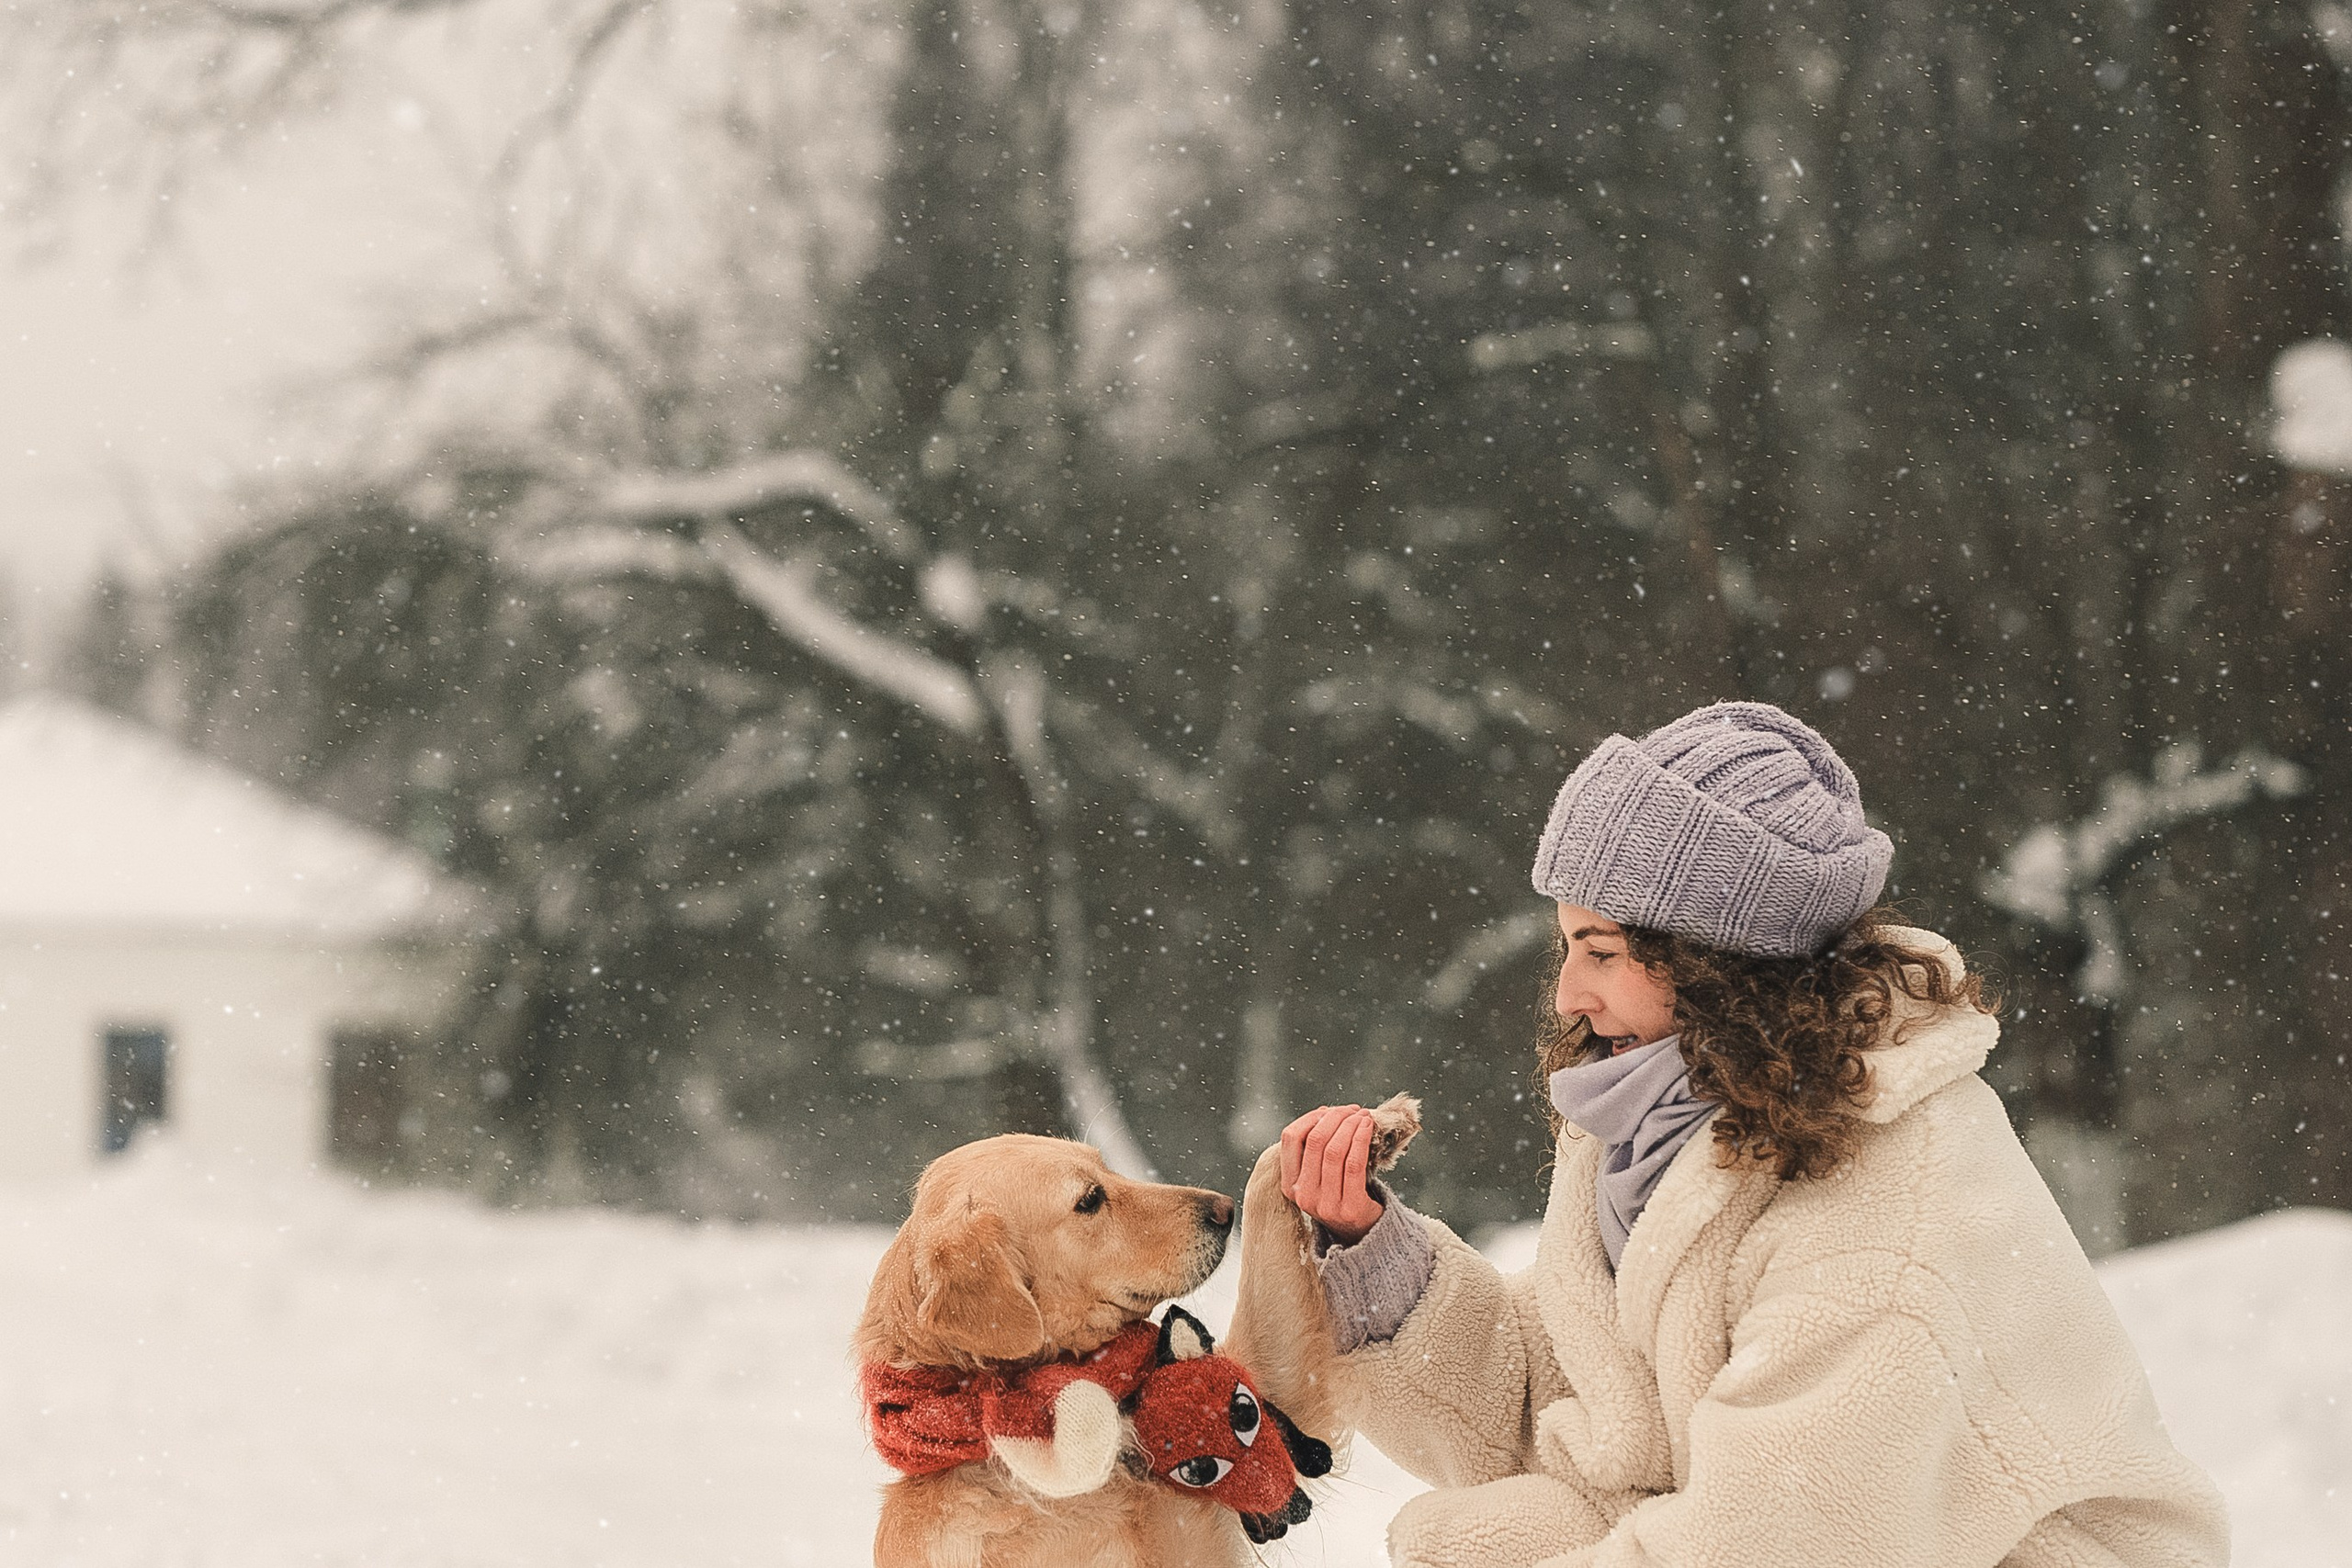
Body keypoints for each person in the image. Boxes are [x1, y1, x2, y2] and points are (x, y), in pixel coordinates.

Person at [1276, 701, 2227, 1568]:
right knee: (1477, 1540)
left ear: (1714, 962)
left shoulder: (1889, 1204)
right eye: (1565, 946)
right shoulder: (1677, 1118)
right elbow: (1587, 1407)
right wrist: (1373, 1257)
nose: (1569, 994)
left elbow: (1775, 1547)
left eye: (1601, 952)